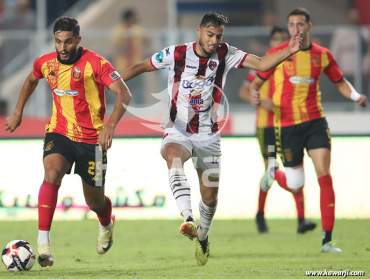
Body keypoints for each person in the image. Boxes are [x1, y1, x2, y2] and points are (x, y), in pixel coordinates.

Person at [122, 12, 303, 265]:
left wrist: (290, 51)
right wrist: (111, 82)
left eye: (219, 36)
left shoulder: (226, 53)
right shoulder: (176, 53)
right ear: (199, 31)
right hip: (179, 128)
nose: (214, 40)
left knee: (210, 197)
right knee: (173, 158)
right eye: (210, 35)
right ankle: (187, 219)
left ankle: (203, 235)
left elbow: (262, 64)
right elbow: (140, 66)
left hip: (208, 134)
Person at [5, 16, 132, 267]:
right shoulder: (46, 62)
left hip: (92, 140)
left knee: (94, 201)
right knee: (51, 174)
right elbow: (31, 79)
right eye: (58, 42)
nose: (62, 48)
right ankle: (43, 243)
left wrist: (110, 125)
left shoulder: (96, 64)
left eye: (68, 42)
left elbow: (123, 93)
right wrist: (18, 110)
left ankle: (106, 222)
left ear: (78, 40)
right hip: (59, 132)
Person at [249, 8, 368, 253]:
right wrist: (254, 93)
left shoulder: (322, 55)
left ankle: (327, 240)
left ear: (309, 26)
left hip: (316, 121)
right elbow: (258, 81)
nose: (296, 29)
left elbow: (339, 81)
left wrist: (355, 95)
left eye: (300, 24)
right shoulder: (276, 54)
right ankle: (274, 173)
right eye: (291, 25)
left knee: (324, 174)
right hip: (288, 125)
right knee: (295, 184)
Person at [239, 26, 316, 234]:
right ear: (271, 43)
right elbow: (244, 92)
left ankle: (301, 220)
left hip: (289, 125)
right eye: (276, 40)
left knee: (296, 168)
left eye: (284, 39)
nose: (279, 43)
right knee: (272, 169)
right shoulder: (263, 65)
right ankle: (261, 214)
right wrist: (262, 102)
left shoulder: (293, 67)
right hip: (267, 126)